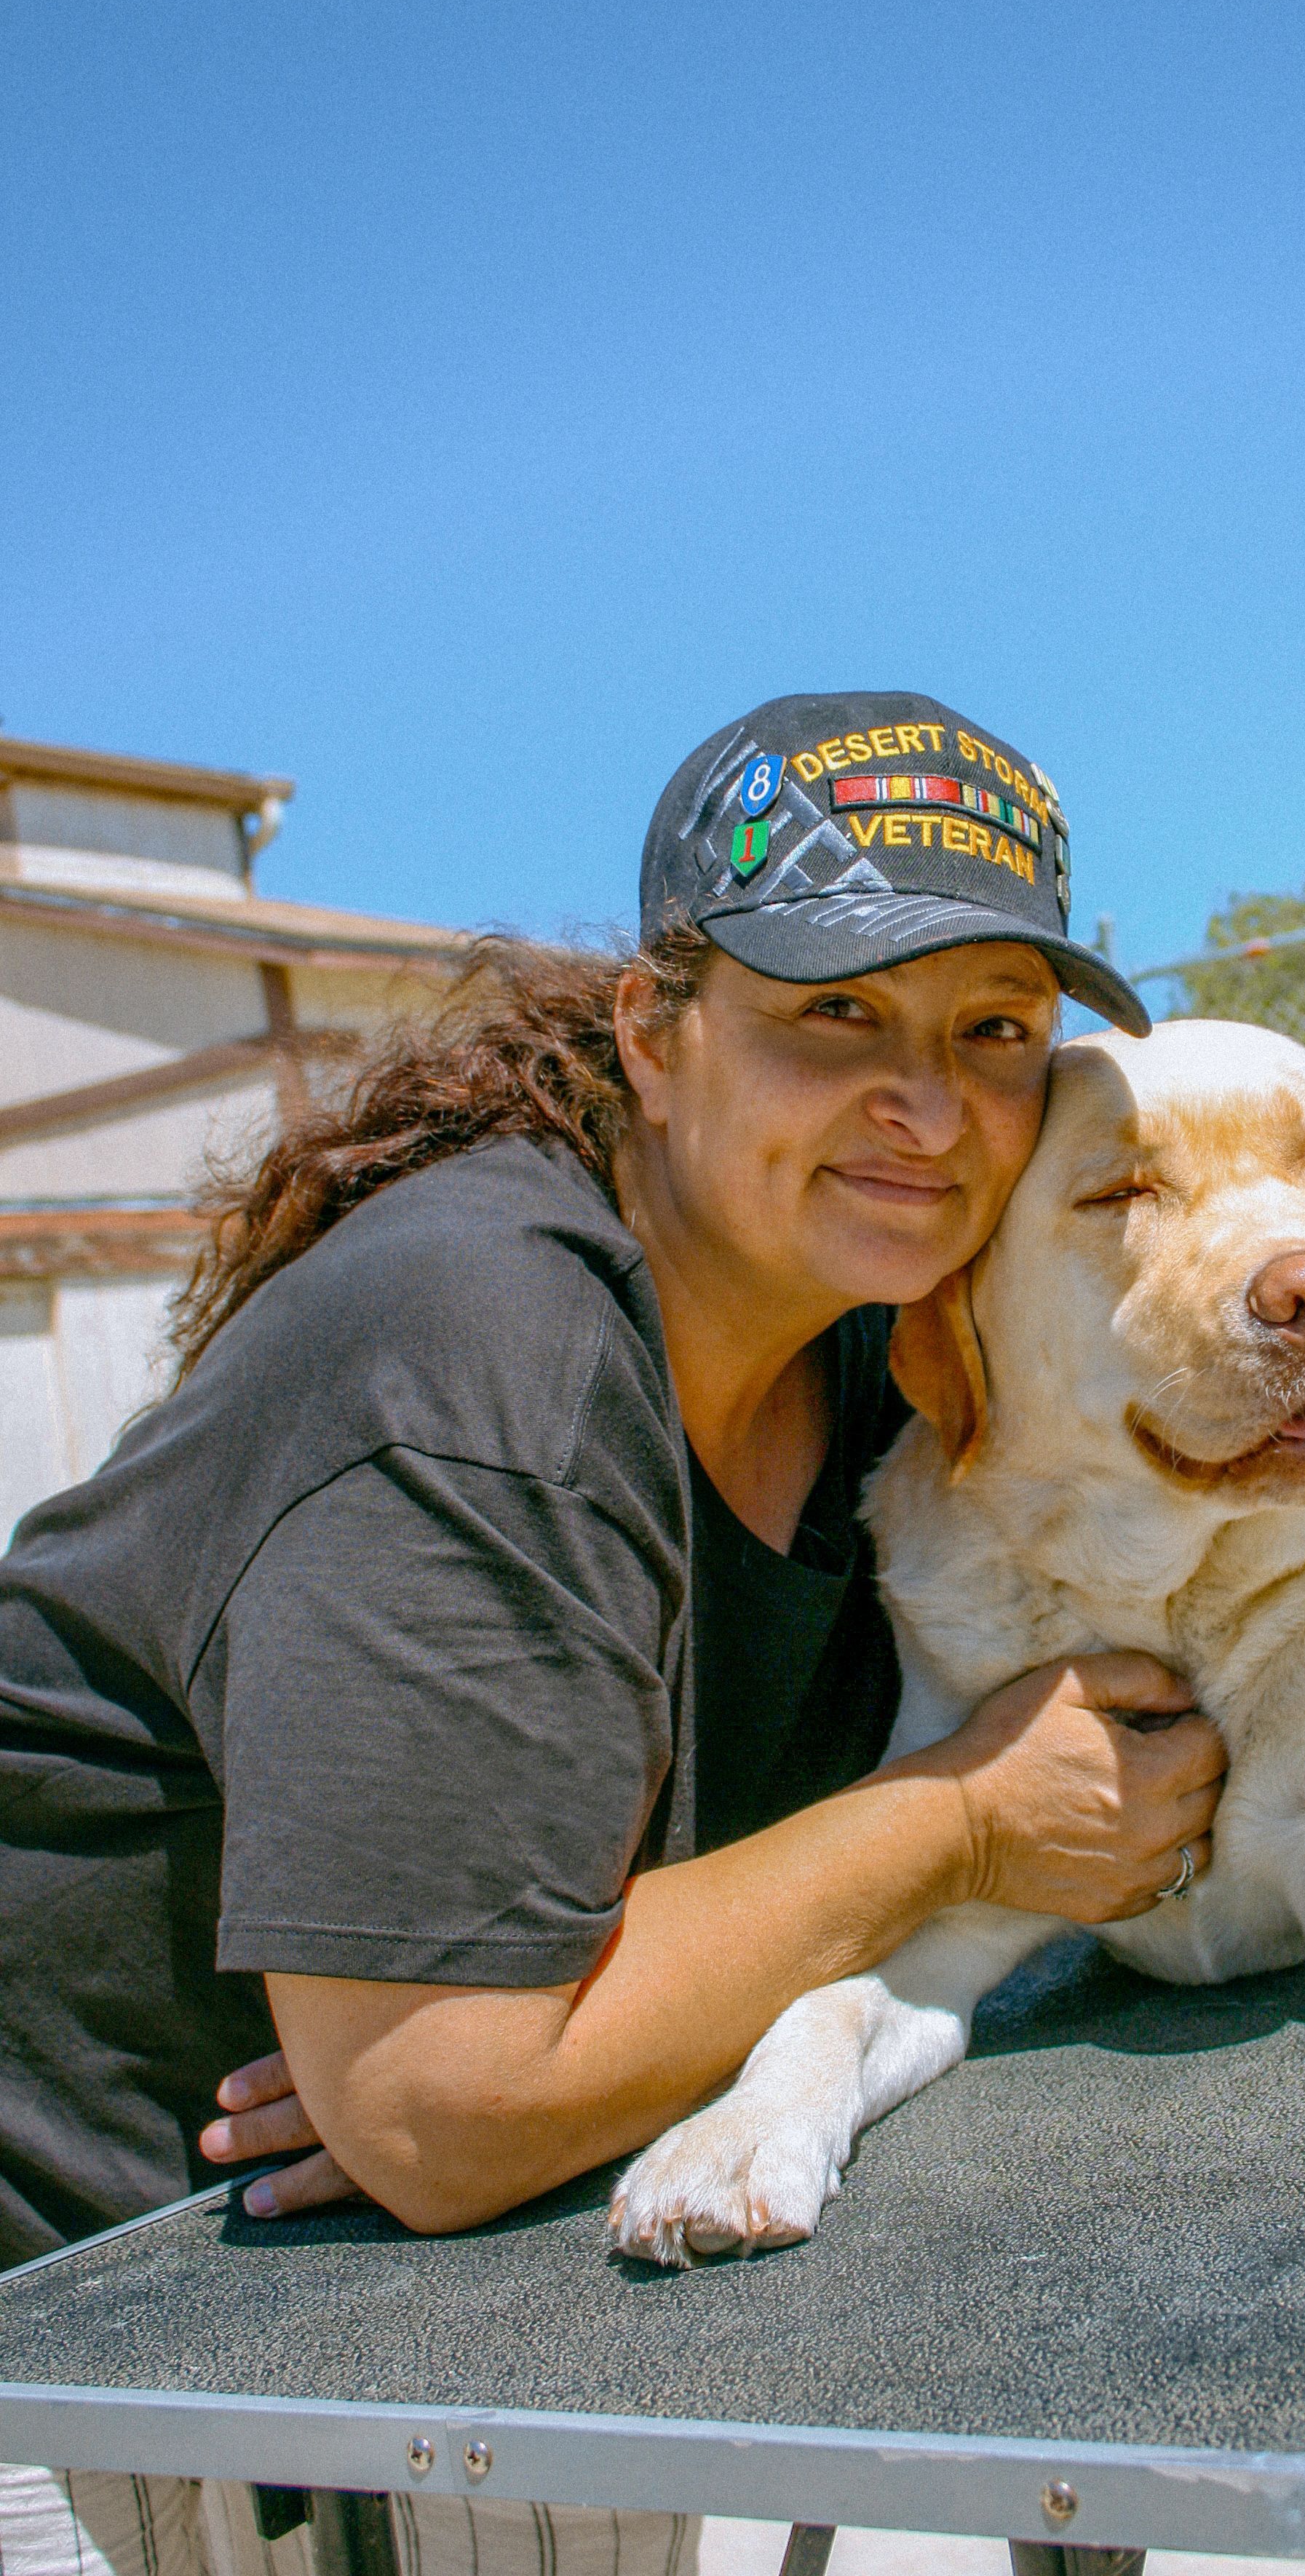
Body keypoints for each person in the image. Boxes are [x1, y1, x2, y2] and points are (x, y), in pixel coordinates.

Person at [0, 694, 1226, 2576]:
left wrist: (571, 2037)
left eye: (993, 1030)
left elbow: (1180, 1687)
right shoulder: (486, 1354)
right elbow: (444, 2106)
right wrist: (964, 1820)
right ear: (658, 1038)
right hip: (109, 2328)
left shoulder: (885, 1337)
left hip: (448, 2281)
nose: (926, 1104)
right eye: (838, 1014)